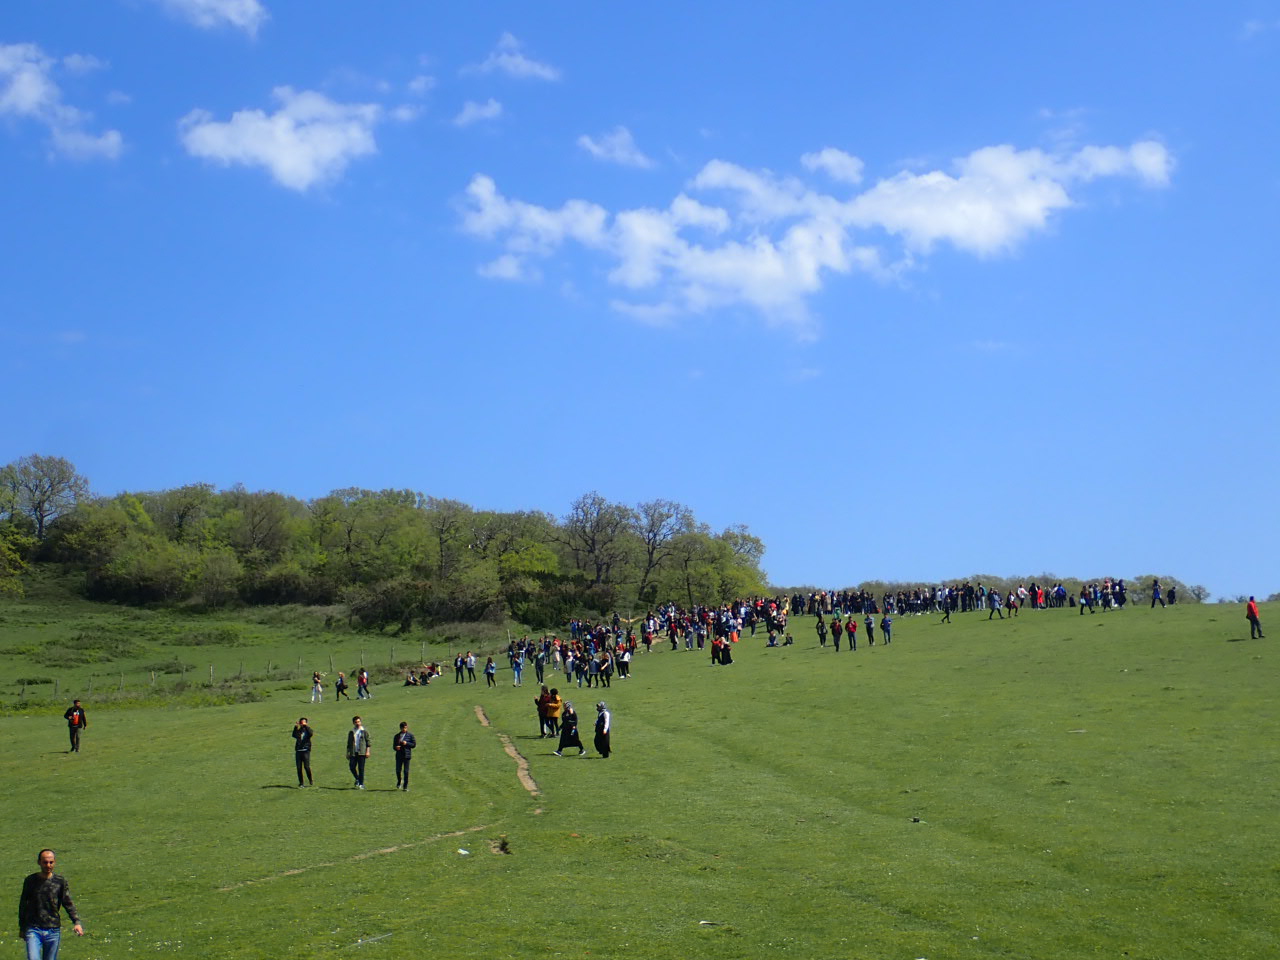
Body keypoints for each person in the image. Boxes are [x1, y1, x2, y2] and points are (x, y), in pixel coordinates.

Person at [18, 849, 84, 959]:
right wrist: (22, 927)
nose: (48, 865)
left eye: (51, 862)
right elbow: (23, 904)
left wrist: (76, 922)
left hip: (53, 929)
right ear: (39, 862)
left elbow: (67, 903)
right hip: (33, 929)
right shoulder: (31, 881)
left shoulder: (60, 881)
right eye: (45, 862)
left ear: (54, 862)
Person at [346, 716, 371, 790]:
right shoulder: (351, 732)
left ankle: (361, 784)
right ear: (353, 723)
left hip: (362, 752)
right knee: (351, 767)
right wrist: (348, 752)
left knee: (361, 768)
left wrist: (368, 751)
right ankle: (357, 778)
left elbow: (368, 742)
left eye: (359, 721)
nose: (357, 723)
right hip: (353, 752)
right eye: (356, 722)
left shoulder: (364, 731)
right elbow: (349, 743)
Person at [393, 721, 416, 791]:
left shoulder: (410, 735)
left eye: (406, 728)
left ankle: (405, 786)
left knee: (406, 771)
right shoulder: (397, 736)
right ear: (400, 728)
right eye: (403, 728)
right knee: (398, 770)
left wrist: (407, 743)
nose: (405, 729)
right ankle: (399, 781)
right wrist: (396, 747)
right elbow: (393, 746)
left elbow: (414, 745)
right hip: (399, 755)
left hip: (407, 755)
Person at [291, 717, 314, 787]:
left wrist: (305, 726)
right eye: (301, 723)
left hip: (306, 751)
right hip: (298, 751)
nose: (302, 724)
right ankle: (301, 783)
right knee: (299, 768)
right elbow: (294, 735)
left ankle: (310, 779)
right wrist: (296, 727)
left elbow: (311, 733)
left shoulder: (308, 730)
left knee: (306, 767)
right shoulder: (299, 731)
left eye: (303, 722)